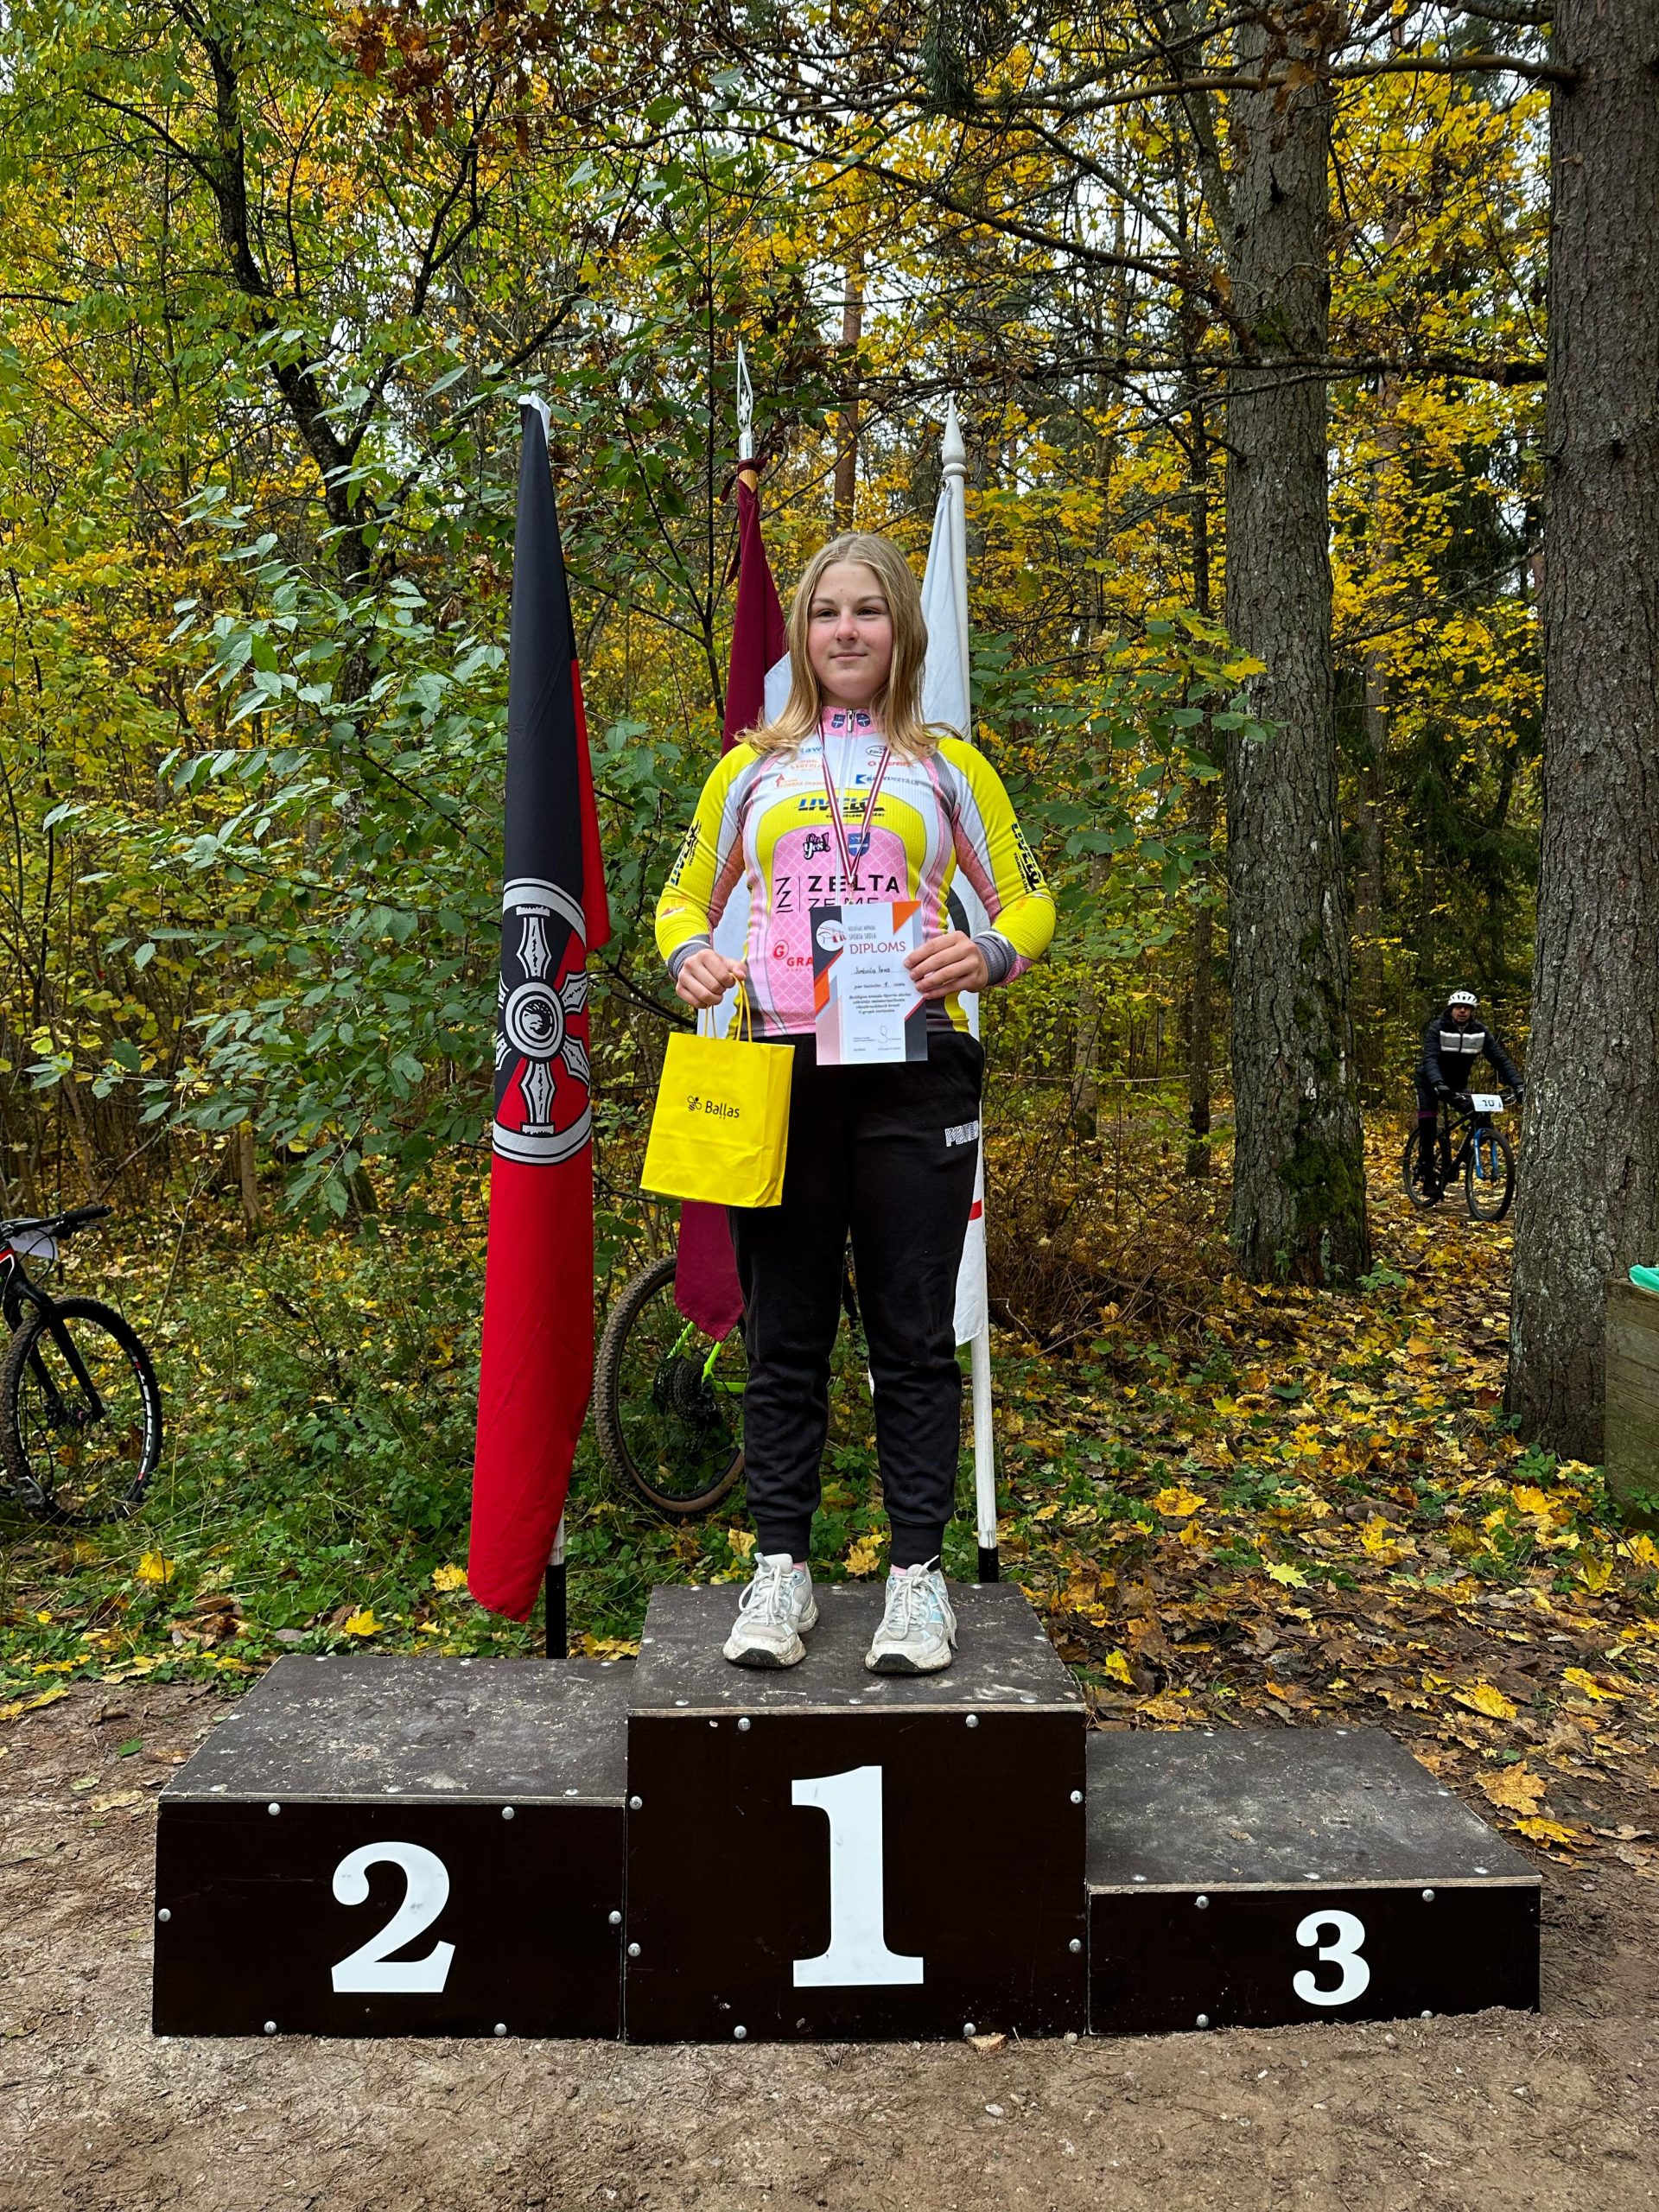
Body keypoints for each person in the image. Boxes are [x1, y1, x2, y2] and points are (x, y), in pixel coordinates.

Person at [655, 532, 1055, 1674]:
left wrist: (987, 954)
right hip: (778, 1072)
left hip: (914, 1069)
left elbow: (1029, 901)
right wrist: (692, 956)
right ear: (802, 632)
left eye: (868, 610)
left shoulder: (948, 764)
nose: (846, 629)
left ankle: (917, 1581)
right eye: (827, 611)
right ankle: (781, 1569)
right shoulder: (750, 768)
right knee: (783, 1337)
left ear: (901, 632)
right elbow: (681, 901)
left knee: (912, 1338)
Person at [1413, 988, 1524, 1195]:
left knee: (1482, 1116)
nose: (1462, 1011)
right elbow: (1430, 1058)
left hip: (1456, 1085)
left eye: (1467, 1008)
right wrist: (1437, 1083)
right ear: (1451, 1009)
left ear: (1472, 1011)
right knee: (1428, 1124)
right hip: (1429, 1082)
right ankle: (1427, 1176)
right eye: (1458, 1007)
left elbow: (1500, 1060)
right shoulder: (1438, 1028)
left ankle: (1463, 1158)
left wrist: (1518, 1085)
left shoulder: (1480, 1032)